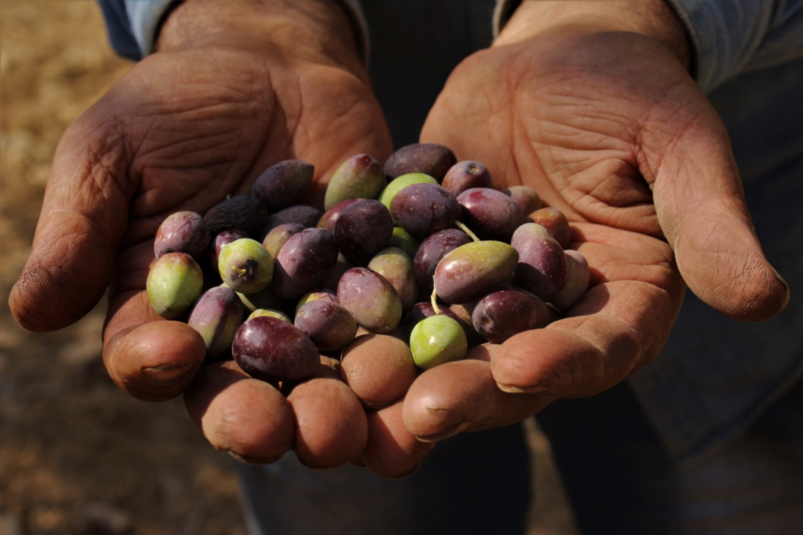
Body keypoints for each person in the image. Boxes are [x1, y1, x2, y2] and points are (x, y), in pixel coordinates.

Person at [9, 0, 803, 533]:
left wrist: (626, 10)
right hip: (313, 123)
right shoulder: (293, 259)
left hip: (686, 157)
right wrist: (243, 14)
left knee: (723, 491)